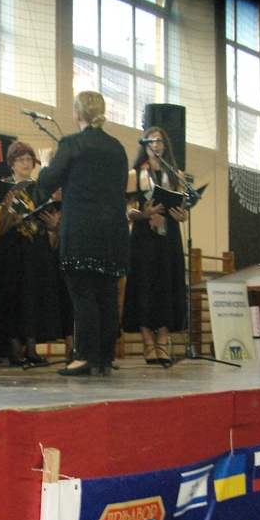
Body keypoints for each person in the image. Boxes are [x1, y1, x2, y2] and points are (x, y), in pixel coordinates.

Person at [37, 90, 129, 376]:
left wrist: (45, 162)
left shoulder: (72, 144)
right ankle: (104, 357)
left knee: (83, 294)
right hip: (112, 231)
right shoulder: (117, 148)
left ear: (77, 113)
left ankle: (85, 356)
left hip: (82, 231)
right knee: (107, 295)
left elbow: (48, 182)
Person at [0, 140, 66, 366]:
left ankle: (33, 348)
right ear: (11, 163)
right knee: (14, 297)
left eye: (29, 159)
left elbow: (52, 216)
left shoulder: (39, 187)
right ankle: (14, 348)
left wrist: (53, 223)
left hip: (37, 247)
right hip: (12, 248)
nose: (25, 163)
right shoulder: (4, 187)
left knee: (34, 297)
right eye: (20, 159)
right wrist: (10, 217)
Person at [122, 126, 188, 368]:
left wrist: (183, 215)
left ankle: (162, 340)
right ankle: (148, 341)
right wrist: (142, 213)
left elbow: (182, 206)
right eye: (150, 141)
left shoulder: (176, 174)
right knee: (144, 286)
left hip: (168, 236)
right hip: (143, 236)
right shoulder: (135, 174)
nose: (155, 144)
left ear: (165, 145)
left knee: (166, 285)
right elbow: (127, 209)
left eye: (159, 140)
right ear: (144, 145)